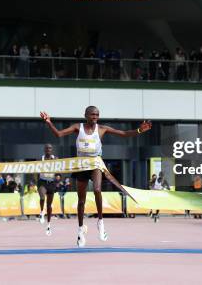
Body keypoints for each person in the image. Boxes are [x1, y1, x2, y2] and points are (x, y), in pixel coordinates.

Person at [40, 106, 152, 247]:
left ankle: (100, 222)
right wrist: (49, 122)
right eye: (92, 114)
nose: (95, 117)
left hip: (96, 164)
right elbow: (59, 134)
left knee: (97, 189)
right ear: (86, 115)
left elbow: (123, 133)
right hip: (81, 165)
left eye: (97, 115)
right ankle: (81, 231)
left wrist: (139, 130)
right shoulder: (78, 127)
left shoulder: (102, 129)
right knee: (81, 201)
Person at [37, 144, 58, 236]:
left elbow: (60, 169)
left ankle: (48, 224)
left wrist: (58, 179)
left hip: (51, 183)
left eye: (50, 148)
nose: (48, 149)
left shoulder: (55, 158)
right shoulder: (40, 159)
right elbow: (35, 169)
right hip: (42, 182)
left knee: (49, 205)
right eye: (47, 148)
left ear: (52, 149)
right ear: (44, 150)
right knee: (42, 197)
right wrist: (37, 179)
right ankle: (42, 212)